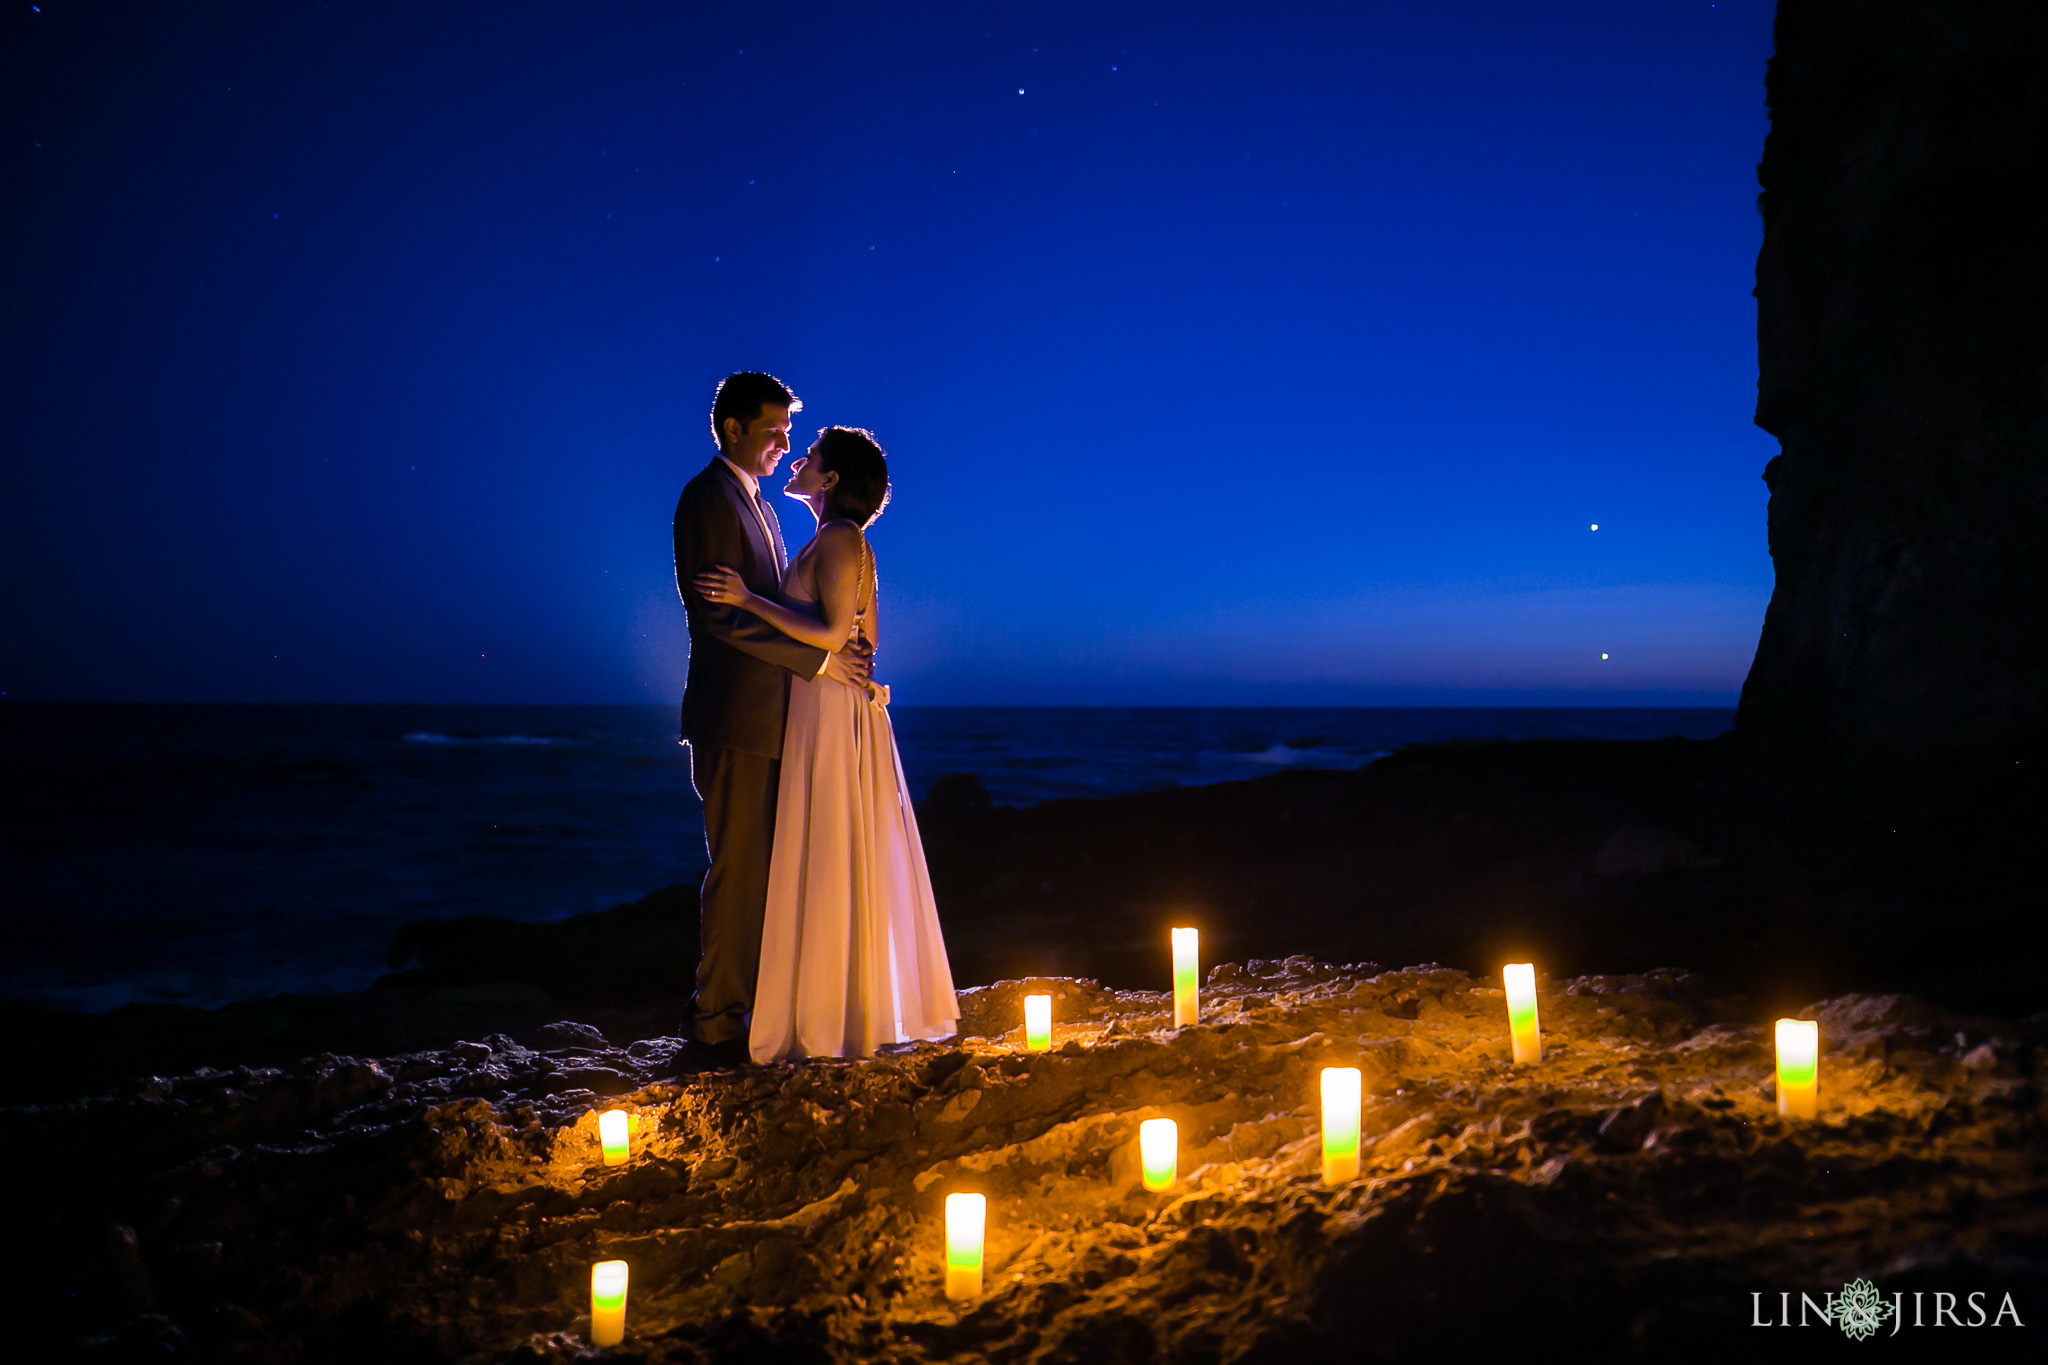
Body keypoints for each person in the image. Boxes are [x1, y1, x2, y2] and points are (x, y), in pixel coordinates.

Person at [693, 425, 959, 1062]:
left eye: (810, 455)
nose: (799, 460)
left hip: (831, 708)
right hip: (826, 703)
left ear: (831, 478)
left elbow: (837, 632)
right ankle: (828, 1006)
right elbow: (858, 637)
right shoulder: (836, 541)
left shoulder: (841, 539)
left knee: (829, 844)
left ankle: (828, 1015)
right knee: (828, 847)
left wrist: (748, 600)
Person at [673, 373, 871, 1054]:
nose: (785, 444)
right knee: (739, 868)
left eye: (792, 433)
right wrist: (818, 664)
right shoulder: (708, 498)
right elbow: (717, 615)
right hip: (736, 719)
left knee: (767, 870)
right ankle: (719, 1020)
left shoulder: (757, 504)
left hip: (777, 720)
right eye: (773, 430)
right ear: (732, 428)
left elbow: (804, 614)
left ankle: (757, 1007)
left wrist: (839, 656)